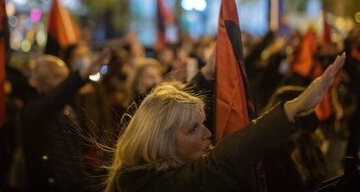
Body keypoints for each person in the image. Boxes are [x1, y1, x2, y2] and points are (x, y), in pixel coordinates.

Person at [105, 53, 346, 191]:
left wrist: (206, 75)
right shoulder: (145, 185)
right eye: (193, 129)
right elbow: (221, 163)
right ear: (161, 142)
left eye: (202, 123)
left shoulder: (142, 173)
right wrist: (291, 109)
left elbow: (171, 115)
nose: (208, 132)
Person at [22, 49, 110, 191]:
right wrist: (81, 76)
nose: (65, 80)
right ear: (44, 80)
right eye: (59, 76)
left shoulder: (65, 106)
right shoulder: (34, 109)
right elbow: (57, 97)